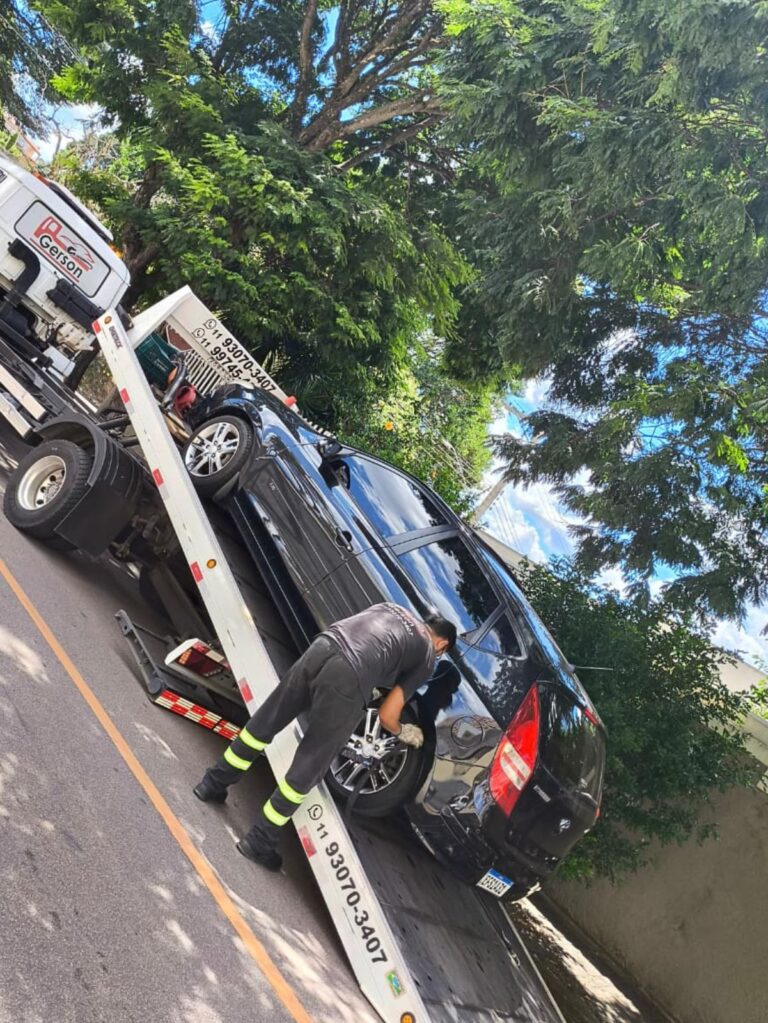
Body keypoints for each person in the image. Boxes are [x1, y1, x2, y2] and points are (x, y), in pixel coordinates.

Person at [194, 602, 457, 871]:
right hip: (349, 676)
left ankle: (211, 784)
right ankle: (259, 840)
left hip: (323, 646)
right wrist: (405, 732)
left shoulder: (391, 608)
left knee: (265, 723)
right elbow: (387, 716)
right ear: (442, 644)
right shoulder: (427, 656)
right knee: (311, 762)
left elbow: (368, 643)